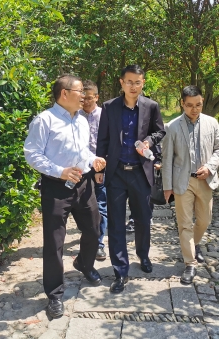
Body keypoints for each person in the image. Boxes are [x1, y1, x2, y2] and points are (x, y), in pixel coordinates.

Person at [24, 75, 107, 319]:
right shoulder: (45, 120)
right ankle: (55, 294)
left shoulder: (81, 120)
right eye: (80, 91)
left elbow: (82, 151)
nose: (84, 96)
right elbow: (32, 154)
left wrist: (93, 160)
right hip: (56, 188)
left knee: (94, 228)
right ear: (64, 93)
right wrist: (60, 171)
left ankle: (84, 263)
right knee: (54, 243)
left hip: (84, 184)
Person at [95, 64, 165, 293]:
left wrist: (149, 142)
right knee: (116, 223)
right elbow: (103, 139)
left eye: (137, 82)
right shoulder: (109, 107)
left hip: (140, 172)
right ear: (121, 82)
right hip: (116, 173)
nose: (133, 86)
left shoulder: (151, 106)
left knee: (143, 219)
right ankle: (120, 270)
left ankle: (143, 255)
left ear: (143, 83)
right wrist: (99, 168)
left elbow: (159, 131)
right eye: (129, 82)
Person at [162, 86, 219, 284]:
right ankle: (190, 263)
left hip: (205, 179)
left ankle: (193, 244)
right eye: (190, 105)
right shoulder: (172, 127)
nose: (194, 109)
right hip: (183, 181)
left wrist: (210, 167)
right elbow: (167, 159)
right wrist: (167, 186)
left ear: (202, 102)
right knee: (185, 224)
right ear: (182, 104)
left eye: (198, 105)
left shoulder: (212, 123)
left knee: (204, 220)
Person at [79, 80, 108, 261]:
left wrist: (102, 168)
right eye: (83, 98)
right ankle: (88, 237)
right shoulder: (75, 116)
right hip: (81, 168)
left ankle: (99, 244)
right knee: (83, 207)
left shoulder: (105, 116)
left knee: (101, 205)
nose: (86, 102)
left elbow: (109, 142)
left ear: (97, 97)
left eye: (90, 98)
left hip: (100, 166)